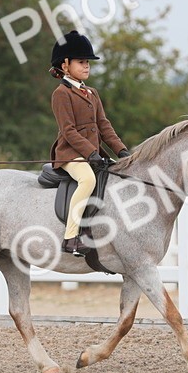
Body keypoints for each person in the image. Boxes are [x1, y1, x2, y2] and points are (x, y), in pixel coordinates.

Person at [48, 30, 131, 257]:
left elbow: (104, 126)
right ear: (65, 65)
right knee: (88, 179)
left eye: (88, 62)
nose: (87, 66)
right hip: (69, 154)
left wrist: (121, 150)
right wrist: (90, 152)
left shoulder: (91, 93)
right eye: (81, 62)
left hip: (91, 154)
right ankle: (70, 237)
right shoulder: (61, 94)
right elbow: (68, 131)